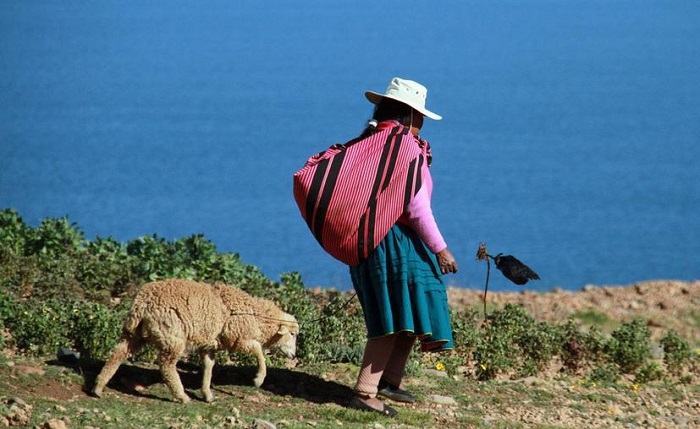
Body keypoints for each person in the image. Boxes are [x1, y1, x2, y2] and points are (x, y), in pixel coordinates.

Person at [344, 77, 459, 417]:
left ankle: (389, 381)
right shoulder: (404, 148)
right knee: (392, 314)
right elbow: (415, 206)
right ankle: (365, 392)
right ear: (410, 115)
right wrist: (440, 248)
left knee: (404, 306)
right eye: (420, 116)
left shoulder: (370, 142)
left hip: (369, 240)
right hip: (393, 242)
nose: (422, 123)